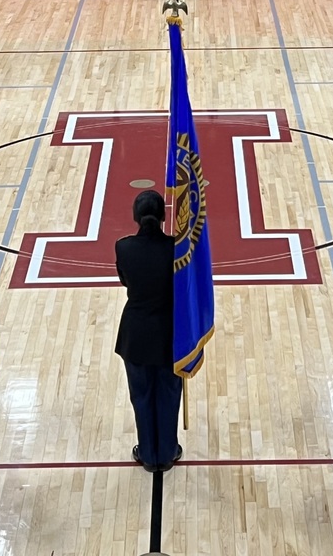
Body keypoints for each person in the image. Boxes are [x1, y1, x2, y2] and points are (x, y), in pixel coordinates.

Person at [115, 190, 183, 473]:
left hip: (137, 334)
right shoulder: (176, 248)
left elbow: (124, 281)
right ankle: (167, 452)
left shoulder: (123, 247)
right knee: (168, 393)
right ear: (163, 215)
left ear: (135, 216)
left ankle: (147, 451)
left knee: (141, 395)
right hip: (170, 332)